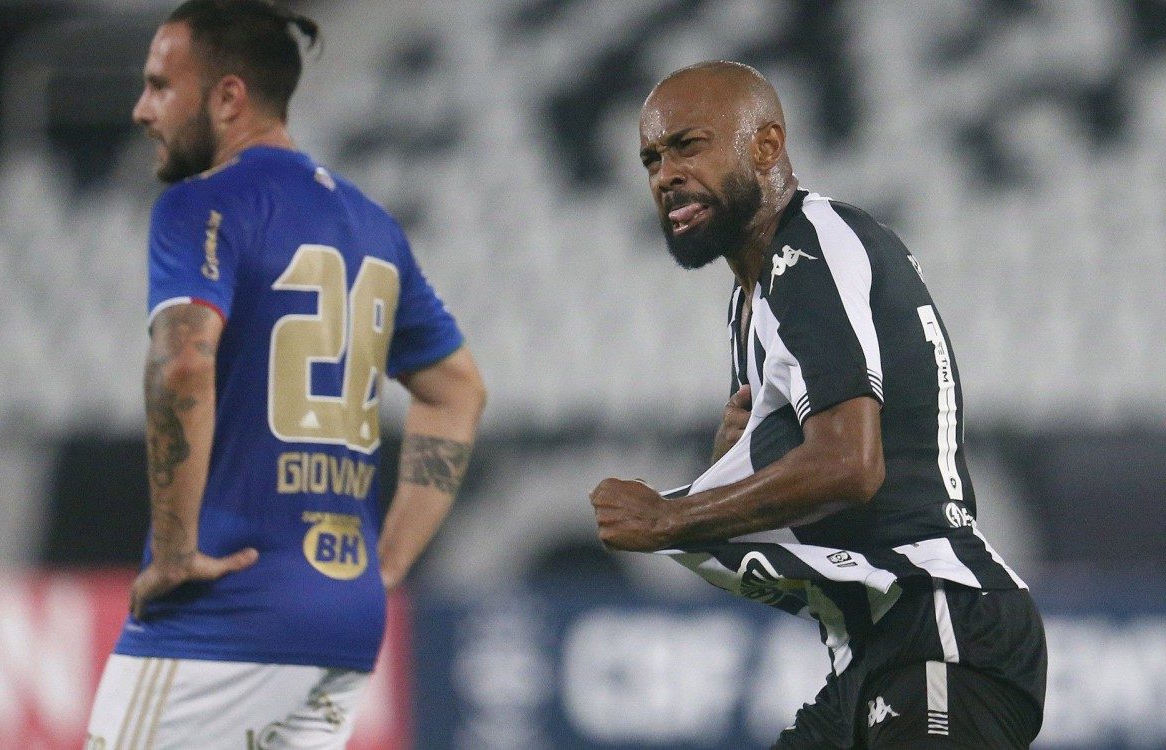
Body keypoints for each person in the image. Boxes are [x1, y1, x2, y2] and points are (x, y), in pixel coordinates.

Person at [589, 61, 1046, 749]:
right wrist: (731, 471)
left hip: (940, 625)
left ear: (766, 147)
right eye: (652, 158)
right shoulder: (753, 301)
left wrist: (672, 516)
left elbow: (850, 465)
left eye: (689, 146)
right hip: (877, 653)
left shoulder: (807, 248)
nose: (664, 175)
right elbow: (803, 487)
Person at [85, 1, 486, 747]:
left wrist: (174, 554)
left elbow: (181, 362)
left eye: (160, 86)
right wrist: (388, 560)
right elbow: (457, 390)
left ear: (229, 97)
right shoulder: (373, 225)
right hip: (341, 624)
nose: (142, 110)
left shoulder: (202, 205)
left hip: (223, 611)